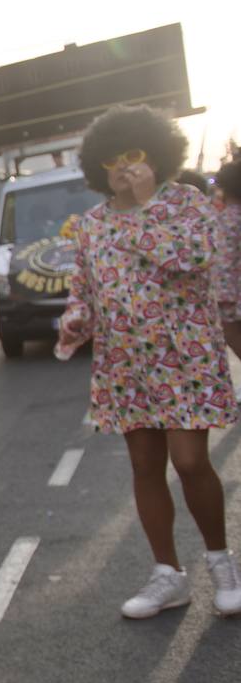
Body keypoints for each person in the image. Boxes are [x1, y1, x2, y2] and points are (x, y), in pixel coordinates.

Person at [57, 105, 241, 619]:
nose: (123, 168)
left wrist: (143, 209)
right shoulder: (91, 225)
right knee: (144, 468)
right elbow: (84, 290)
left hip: (186, 358)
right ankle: (168, 576)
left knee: (190, 462)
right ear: (98, 166)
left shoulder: (186, 202)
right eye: (113, 161)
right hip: (124, 365)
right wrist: (76, 319)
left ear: (158, 156)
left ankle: (222, 564)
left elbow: (194, 257)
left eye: (134, 157)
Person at [213, 155, 241, 359]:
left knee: (233, 336)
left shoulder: (225, 220)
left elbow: (222, 262)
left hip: (230, 295)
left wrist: (219, 296)